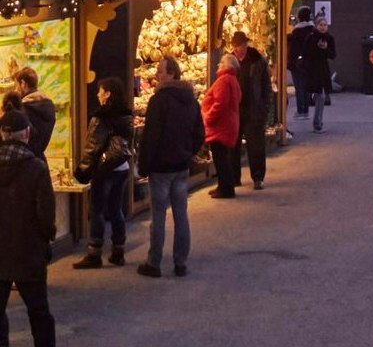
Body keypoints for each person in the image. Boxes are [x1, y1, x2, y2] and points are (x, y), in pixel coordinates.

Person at [0, 107, 74, 347]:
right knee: (39, 311)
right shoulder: (35, 168)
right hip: (27, 249)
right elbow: (45, 213)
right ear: (27, 135)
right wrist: (47, 239)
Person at [135, 57, 202, 278]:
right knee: (181, 214)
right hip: (181, 166)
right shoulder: (191, 100)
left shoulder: (159, 101)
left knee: (158, 216)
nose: (157, 75)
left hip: (161, 168)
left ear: (172, 73)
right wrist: (188, 152)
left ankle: (154, 262)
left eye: (160, 71)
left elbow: (151, 136)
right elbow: (199, 133)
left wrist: (144, 165)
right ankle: (180, 262)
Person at [72, 78, 133, 268]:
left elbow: (92, 147)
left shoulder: (100, 117)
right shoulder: (126, 115)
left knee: (97, 210)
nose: (98, 94)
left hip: (104, 169)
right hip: (122, 167)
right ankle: (118, 251)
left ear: (107, 94)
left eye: (100, 91)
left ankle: (94, 253)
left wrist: (82, 171)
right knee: (116, 209)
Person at [230, 31, 274, 189]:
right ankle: (234, 178)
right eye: (235, 47)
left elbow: (266, 86)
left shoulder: (257, 60)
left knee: (256, 146)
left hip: (253, 110)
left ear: (245, 45)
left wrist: (264, 109)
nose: (238, 50)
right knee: (232, 147)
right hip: (236, 111)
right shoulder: (230, 61)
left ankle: (258, 177)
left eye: (240, 46)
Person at [201, 53, 244, 198]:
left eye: (221, 62)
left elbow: (220, 103)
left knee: (221, 159)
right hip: (228, 123)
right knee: (223, 157)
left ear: (226, 65)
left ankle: (226, 188)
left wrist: (208, 117)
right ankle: (223, 185)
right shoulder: (232, 79)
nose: (218, 64)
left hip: (220, 125)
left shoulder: (224, 80)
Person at [303, 13, 336, 132]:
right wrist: (317, 47)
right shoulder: (311, 37)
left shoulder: (329, 38)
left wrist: (325, 48)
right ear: (316, 26)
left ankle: (318, 122)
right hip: (313, 70)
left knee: (320, 96)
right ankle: (317, 123)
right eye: (320, 25)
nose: (323, 27)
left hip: (323, 70)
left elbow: (333, 55)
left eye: (325, 25)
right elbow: (306, 53)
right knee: (319, 96)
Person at [14, 67, 56, 157]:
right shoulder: (49, 106)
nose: (15, 90)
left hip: (24, 160)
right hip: (39, 159)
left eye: (16, 86)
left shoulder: (24, 110)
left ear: (23, 84)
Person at [287, 6, 315, 117]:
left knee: (299, 87)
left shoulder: (296, 32)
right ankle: (306, 110)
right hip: (309, 64)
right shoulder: (313, 31)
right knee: (307, 87)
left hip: (297, 64)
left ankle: (300, 110)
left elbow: (293, 49)